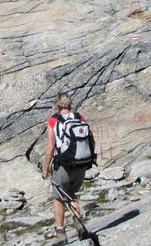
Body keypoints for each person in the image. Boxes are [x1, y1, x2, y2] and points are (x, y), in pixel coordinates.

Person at [42, 92, 94, 245]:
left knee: (58, 197)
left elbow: (50, 148)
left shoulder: (54, 121)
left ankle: (61, 234)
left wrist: (45, 167)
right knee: (71, 193)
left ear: (57, 105)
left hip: (64, 165)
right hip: (81, 163)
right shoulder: (79, 117)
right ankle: (79, 226)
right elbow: (91, 140)